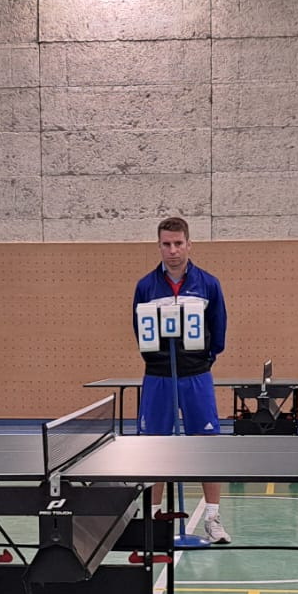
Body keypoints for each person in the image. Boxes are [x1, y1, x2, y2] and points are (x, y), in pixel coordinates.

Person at [132, 215, 230, 544]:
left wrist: (201, 360)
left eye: (178, 243)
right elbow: (138, 330)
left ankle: (213, 519)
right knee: (153, 447)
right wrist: (158, 360)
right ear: (158, 246)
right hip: (158, 377)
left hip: (196, 376)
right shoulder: (145, 286)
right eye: (166, 244)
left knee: (206, 445)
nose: (172, 250)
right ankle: (153, 521)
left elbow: (219, 329)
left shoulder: (208, 284)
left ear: (189, 244)